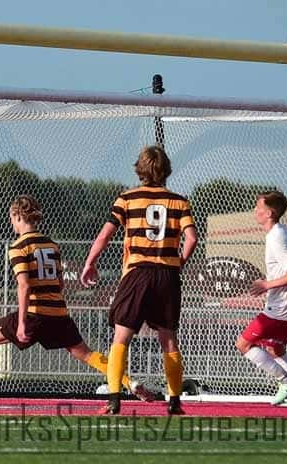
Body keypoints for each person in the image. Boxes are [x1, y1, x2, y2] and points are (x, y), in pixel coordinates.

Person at [0, 194, 155, 402]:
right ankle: (128, 382)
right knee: (86, 354)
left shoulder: (19, 247)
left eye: (11, 217)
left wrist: (21, 322)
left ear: (17, 216)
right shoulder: (52, 245)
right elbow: (60, 283)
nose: (11, 223)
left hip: (34, 313)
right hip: (58, 313)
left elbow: (24, 286)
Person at [80, 145, 198, 415]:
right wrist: (179, 262)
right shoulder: (179, 201)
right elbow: (191, 238)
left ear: (140, 169)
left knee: (121, 337)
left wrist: (90, 262)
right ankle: (175, 402)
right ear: (166, 169)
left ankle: (113, 401)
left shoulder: (127, 199)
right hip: (167, 275)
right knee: (168, 339)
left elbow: (105, 235)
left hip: (137, 273)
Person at [235, 191, 287, 407]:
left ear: (269, 213)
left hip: (282, 306)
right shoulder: (282, 231)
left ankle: (286, 381)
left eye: (258, 207)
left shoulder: (276, 236)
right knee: (275, 349)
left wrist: (266, 285)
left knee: (243, 344)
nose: (255, 210)